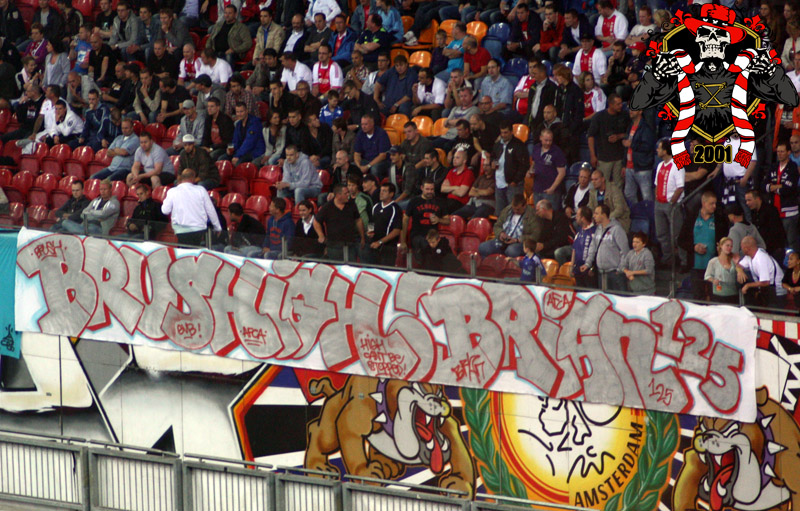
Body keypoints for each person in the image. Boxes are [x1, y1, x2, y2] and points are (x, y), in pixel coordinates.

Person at [678, 191, 730, 300]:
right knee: (698, 297)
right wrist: (694, 247)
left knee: (715, 297)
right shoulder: (692, 218)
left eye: (715, 203)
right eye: (711, 203)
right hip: (696, 267)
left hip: (715, 267)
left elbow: (727, 239)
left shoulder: (719, 219)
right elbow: (680, 240)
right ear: (704, 203)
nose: (714, 206)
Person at [161, 168, 222, 246]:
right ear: (193, 178)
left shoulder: (172, 191)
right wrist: (217, 227)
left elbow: (165, 210)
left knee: (185, 250)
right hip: (198, 228)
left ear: (182, 177)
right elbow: (210, 210)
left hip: (181, 229)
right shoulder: (201, 190)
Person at [581, 203, 629, 291]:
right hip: (602, 273)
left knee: (619, 298)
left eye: (596, 213)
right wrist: (587, 263)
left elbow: (624, 250)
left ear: (603, 215)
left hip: (615, 273)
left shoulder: (617, 229)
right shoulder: (598, 229)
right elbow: (592, 248)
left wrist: (620, 269)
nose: (594, 216)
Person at [314, 182, 364, 262]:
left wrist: (362, 237)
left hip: (350, 244)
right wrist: (321, 235)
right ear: (338, 195)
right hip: (334, 246)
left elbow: (358, 220)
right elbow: (316, 221)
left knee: (352, 266)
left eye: (348, 192)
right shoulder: (327, 207)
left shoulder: (351, 204)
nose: (348, 195)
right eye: (345, 193)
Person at [653, 139, 684, 266]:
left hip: (671, 204)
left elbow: (680, 187)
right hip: (659, 204)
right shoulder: (660, 165)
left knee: (677, 235)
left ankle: (683, 261)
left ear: (665, 151)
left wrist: (672, 203)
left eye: (659, 148)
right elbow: (656, 184)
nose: (657, 150)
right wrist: (656, 198)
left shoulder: (677, 165)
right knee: (661, 234)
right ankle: (668, 259)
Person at [588, 93, 629, 185]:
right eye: (618, 104)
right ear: (610, 104)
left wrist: (619, 136)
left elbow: (630, 133)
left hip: (619, 158)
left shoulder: (625, 115)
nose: (621, 105)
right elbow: (590, 136)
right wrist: (593, 155)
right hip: (604, 158)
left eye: (621, 103)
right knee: (601, 184)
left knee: (618, 185)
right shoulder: (599, 117)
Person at [401, 178, 450, 257]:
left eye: (432, 189)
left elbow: (447, 221)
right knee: (425, 245)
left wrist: (439, 219)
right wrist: (403, 241)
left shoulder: (440, 202)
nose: (430, 191)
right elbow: (405, 220)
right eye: (427, 189)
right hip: (417, 236)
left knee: (445, 245)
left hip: (433, 237)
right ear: (422, 188)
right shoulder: (414, 201)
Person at [764, 142, 799, 252]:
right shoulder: (773, 167)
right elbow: (763, 185)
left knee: (791, 241)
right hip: (775, 211)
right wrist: (779, 186)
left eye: (782, 151)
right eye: (778, 151)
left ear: (788, 152)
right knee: (778, 241)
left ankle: (794, 262)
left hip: (789, 212)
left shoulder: (793, 167)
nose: (779, 154)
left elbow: (789, 189)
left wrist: (773, 187)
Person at [479, 193, 536, 258]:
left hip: (520, 243)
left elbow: (535, 235)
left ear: (524, 206)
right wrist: (501, 233)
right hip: (504, 240)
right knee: (483, 247)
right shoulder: (507, 210)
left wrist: (517, 240)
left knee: (511, 250)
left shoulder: (532, 215)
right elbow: (497, 225)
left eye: (518, 209)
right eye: (513, 208)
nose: (515, 211)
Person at [737, 235, 786, 309]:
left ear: (747, 248)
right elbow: (738, 265)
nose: (741, 250)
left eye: (742, 248)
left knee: (773, 313)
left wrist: (748, 285)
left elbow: (765, 282)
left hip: (776, 292)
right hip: (767, 291)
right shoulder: (749, 257)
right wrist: (740, 271)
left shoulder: (761, 258)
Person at [492, 121, 528, 215]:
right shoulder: (497, 145)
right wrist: (492, 163)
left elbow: (524, 165)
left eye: (506, 132)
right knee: (500, 213)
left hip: (513, 184)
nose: (503, 135)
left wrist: (515, 181)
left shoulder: (519, 145)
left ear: (512, 132)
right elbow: (493, 157)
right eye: (502, 132)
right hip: (499, 182)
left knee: (515, 211)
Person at [365, 181, 402, 266]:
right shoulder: (376, 206)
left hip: (388, 247)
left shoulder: (395, 209)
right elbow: (371, 222)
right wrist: (370, 231)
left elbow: (396, 231)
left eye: (384, 191)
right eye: (381, 191)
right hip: (374, 245)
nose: (381, 193)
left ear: (391, 194)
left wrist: (380, 242)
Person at [623, 108, 656, 204]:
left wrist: (632, 144)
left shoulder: (646, 127)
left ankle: (648, 213)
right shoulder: (630, 126)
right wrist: (624, 164)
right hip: (629, 167)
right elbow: (627, 148)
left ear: (640, 111)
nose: (630, 111)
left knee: (646, 196)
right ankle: (636, 212)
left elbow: (648, 146)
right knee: (629, 195)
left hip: (642, 168)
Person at [530, 128, 567, 208]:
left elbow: (562, 173)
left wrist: (552, 188)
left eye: (550, 140)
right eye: (546, 140)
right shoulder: (536, 148)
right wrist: (530, 170)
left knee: (550, 214)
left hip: (550, 192)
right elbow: (534, 162)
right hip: (537, 189)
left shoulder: (557, 152)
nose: (548, 143)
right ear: (540, 138)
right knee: (538, 213)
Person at [353, 113, 391, 180]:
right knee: (353, 166)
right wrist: (359, 166)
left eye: (366, 124)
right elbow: (357, 154)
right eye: (362, 124)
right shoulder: (360, 134)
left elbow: (382, 155)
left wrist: (368, 166)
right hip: (366, 160)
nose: (363, 127)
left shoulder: (381, 133)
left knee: (374, 168)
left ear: (372, 124)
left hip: (381, 161)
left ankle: (375, 185)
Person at [705, 237, 739, 304]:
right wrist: (713, 280)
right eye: (727, 245)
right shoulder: (713, 261)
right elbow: (707, 276)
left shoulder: (734, 261)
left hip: (733, 294)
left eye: (731, 246)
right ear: (721, 246)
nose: (729, 248)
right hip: (718, 294)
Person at [568, 206, 596, 287]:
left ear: (583, 218)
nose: (575, 217)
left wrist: (593, 268)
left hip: (588, 271)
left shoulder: (594, 231)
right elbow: (574, 249)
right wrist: (571, 266)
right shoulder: (579, 230)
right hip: (577, 270)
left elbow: (597, 252)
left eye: (577, 215)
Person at [441, 149, 475, 214]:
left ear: (464, 161)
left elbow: (461, 193)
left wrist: (449, 189)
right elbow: (442, 189)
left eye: (457, 158)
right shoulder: (451, 172)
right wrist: (456, 187)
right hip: (449, 201)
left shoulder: (468, 173)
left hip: (460, 203)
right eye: (454, 157)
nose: (454, 159)